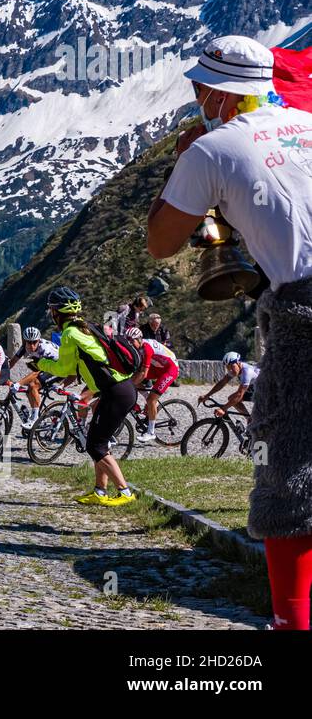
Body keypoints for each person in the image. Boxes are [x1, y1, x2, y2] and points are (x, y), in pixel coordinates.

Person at [147, 34, 312, 629]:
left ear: (215, 90)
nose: (194, 95)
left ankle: (293, 620)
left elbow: (161, 241)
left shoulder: (212, 146)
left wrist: (188, 156)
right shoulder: (307, 121)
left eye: (198, 87)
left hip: (304, 310)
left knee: (289, 462)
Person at [35, 287, 138, 507]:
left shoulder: (70, 333)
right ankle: (100, 491)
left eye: (52, 310)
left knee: (96, 446)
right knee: (97, 441)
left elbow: (64, 368)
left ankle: (125, 492)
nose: (51, 314)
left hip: (115, 391)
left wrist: (39, 363)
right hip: (118, 388)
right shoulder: (85, 327)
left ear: (57, 312)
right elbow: (74, 366)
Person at [125, 326, 178, 443]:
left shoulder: (147, 348)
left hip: (170, 369)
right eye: (128, 341)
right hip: (158, 367)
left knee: (151, 400)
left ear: (139, 339)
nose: (130, 344)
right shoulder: (137, 347)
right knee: (131, 379)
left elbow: (144, 374)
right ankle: (148, 403)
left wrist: (127, 386)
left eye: (132, 341)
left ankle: (151, 432)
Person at [2, 325, 59, 431]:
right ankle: (35, 412)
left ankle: (35, 419)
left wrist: (18, 383)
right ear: (25, 341)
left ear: (39, 340)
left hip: (60, 369)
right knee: (30, 388)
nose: (31, 345)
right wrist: (0, 373)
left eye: (34, 342)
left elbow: (37, 372)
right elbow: (12, 362)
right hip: (49, 367)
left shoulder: (44, 349)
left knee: (34, 385)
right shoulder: (24, 347)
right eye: (29, 342)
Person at [199, 351, 260, 418]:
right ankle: (249, 419)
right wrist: (207, 395)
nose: (230, 370)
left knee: (236, 398)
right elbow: (222, 383)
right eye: (228, 367)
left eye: (232, 366)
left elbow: (239, 394)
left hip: (266, 392)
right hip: (256, 389)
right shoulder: (234, 370)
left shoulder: (247, 372)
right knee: (232, 398)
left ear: (238, 363)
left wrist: (223, 409)